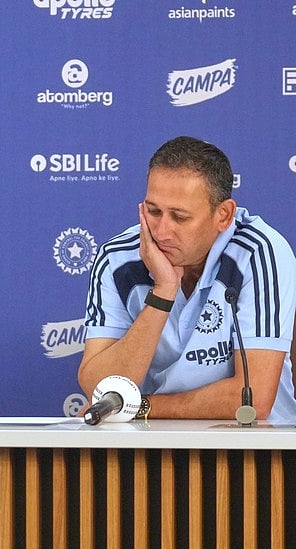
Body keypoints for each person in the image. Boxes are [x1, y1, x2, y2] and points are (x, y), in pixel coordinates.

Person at [79, 136, 296, 422]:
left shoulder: (259, 251)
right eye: (153, 211)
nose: (161, 231)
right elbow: (99, 386)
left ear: (224, 215)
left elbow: (252, 397)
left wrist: (141, 407)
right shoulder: (117, 258)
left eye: (179, 217)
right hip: (148, 447)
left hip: (256, 450)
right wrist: (163, 292)